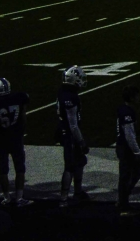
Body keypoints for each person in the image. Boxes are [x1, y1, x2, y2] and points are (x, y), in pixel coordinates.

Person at [0, 77, 31, 207]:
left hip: (1, 139)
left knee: (3, 170)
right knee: (20, 169)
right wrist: (21, 131)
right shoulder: (18, 97)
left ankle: (6, 198)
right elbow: (23, 118)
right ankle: (19, 197)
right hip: (16, 138)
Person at [56, 65, 89, 206]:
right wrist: (81, 141)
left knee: (80, 162)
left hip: (67, 132)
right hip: (70, 135)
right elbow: (73, 124)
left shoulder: (64, 93)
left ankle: (78, 191)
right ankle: (64, 197)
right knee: (69, 166)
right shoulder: (70, 97)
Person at [115, 85, 140, 215]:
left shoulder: (124, 109)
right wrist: (136, 151)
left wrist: (138, 132)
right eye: (137, 95)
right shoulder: (127, 112)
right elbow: (128, 134)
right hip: (125, 148)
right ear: (132, 97)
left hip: (124, 146)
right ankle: (122, 203)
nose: (139, 98)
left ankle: (123, 200)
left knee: (135, 172)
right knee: (127, 176)